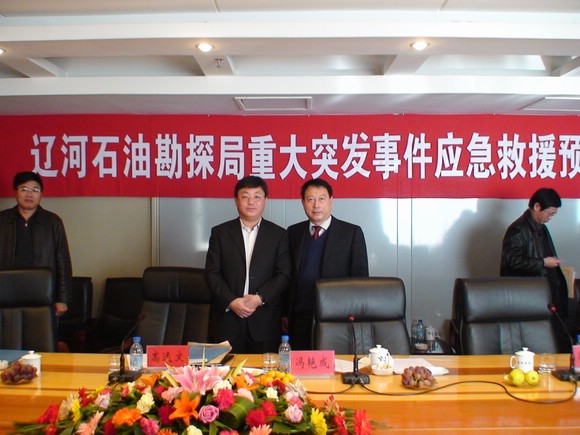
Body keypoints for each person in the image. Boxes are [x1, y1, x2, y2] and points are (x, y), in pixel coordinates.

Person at [204, 175, 291, 354]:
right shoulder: (220, 233)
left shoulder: (279, 235)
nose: (251, 202)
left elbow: (283, 274)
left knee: (266, 371)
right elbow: (212, 273)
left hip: (264, 322)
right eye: (245, 197)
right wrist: (231, 301)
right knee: (225, 372)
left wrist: (260, 298)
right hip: (227, 321)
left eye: (257, 196)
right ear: (236, 200)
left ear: (265, 200)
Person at [286, 178, 369, 350]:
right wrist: (284, 313)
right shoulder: (293, 232)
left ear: (331, 201)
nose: (316, 205)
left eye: (322, 199)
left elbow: (360, 278)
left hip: (337, 317)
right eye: (310, 199)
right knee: (301, 363)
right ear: (303, 203)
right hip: (300, 316)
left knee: (333, 364)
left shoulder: (351, 233)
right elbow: (286, 275)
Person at [500, 187, 568, 350]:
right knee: (534, 343)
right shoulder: (518, 229)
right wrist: (543, 262)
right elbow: (512, 261)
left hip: (546, 294)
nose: (550, 217)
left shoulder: (540, 227)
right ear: (537, 206)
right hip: (528, 297)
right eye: (549, 213)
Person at [0, 171, 72, 317]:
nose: (29, 194)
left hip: (43, 293)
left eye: (35, 190)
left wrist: (62, 299)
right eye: (24, 189)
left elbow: (63, 262)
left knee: (41, 331)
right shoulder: (2, 220)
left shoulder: (52, 222)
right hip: (6, 292)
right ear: (15, 192)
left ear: (41, 194)